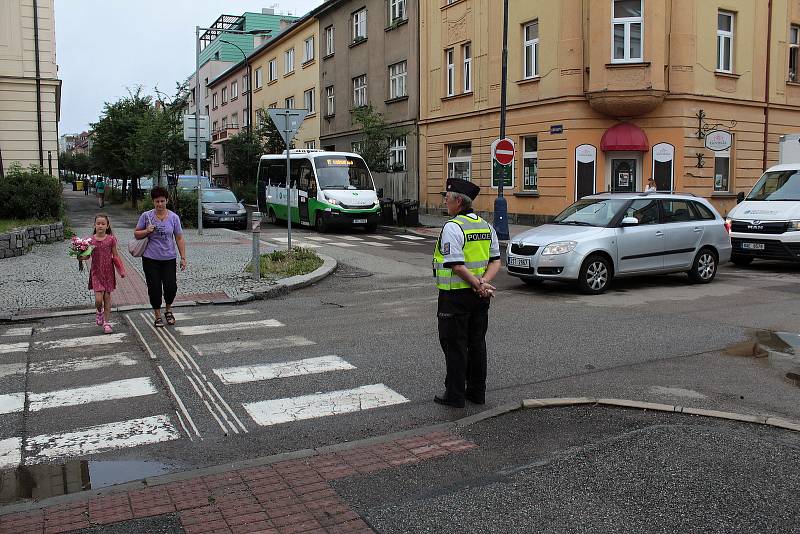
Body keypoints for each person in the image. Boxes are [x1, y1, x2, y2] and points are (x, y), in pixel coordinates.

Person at [432, 178, 501, 408]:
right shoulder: (485, 225)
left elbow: (457, 265)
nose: (445, 200)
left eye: (447, 197)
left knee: (454, 345)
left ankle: (455, 396)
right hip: (480, 298)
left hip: (455, 297)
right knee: (477, 344)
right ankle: (476, 393)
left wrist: (476, 283)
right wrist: (483, 284)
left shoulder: (454, 227)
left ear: (458, 201)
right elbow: (495, 261)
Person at [134, 186, 187, 328]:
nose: (160, 204)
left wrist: (183, 257)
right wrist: (146, 230)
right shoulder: (146, 216)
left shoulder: (174, 218)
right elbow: (136, 233)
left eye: (162, 201)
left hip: (169, 258)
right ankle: (157, 314)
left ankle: (168, 309)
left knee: (171, 287)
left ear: (167, 201)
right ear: (153, 202)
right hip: (150, 258)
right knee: (154, 288)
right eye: (157, 201)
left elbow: (179, 237)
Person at [83, 214, 125, 334]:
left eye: (103, 224)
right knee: (98, 300)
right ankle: (99, 311)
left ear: (107, 226)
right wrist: (80, 256)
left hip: (108, 273)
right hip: (96, 273)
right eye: (98, 223)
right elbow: (87, 256)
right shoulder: (90, 240)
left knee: (107, 299)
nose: (100, 226)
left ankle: (106, 323)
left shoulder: (111, 239)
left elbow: (115, 256)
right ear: (94, 225)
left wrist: (121, 270)